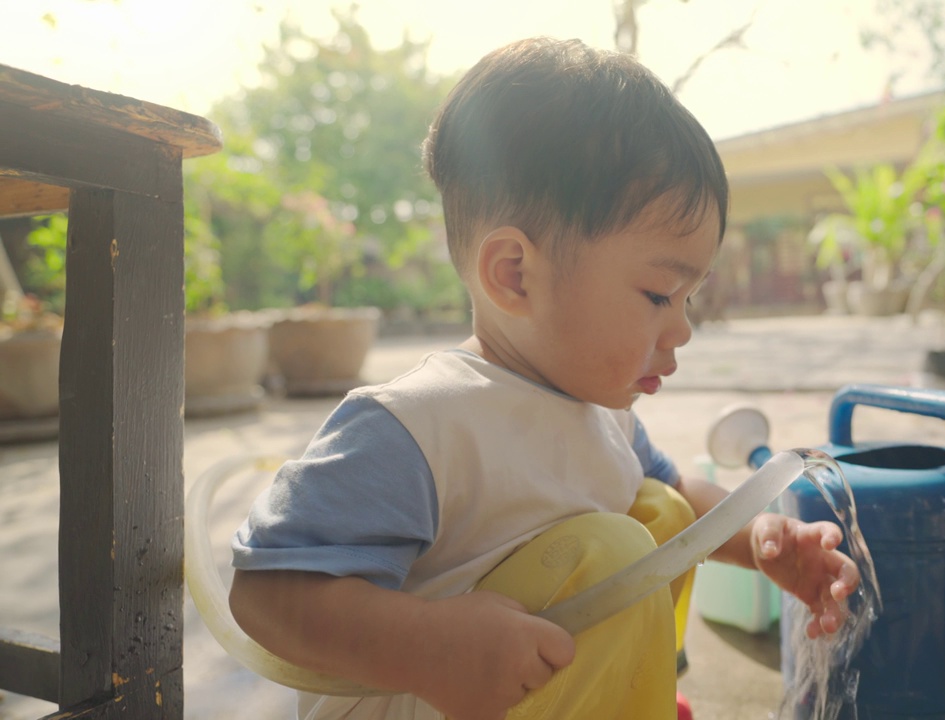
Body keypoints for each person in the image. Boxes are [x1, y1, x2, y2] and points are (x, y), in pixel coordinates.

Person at [228, 36, 861, 720]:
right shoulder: (418, 427)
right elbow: (267, 593)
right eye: (657, 295)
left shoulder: (601, 414)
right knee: (618, 547)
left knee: (660, 511)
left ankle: (629, 695)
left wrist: (762, 540)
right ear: (514, 274)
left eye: (689, 299)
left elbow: (684, 497)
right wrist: (429, 645)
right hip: (431, 698)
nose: (681, 329)